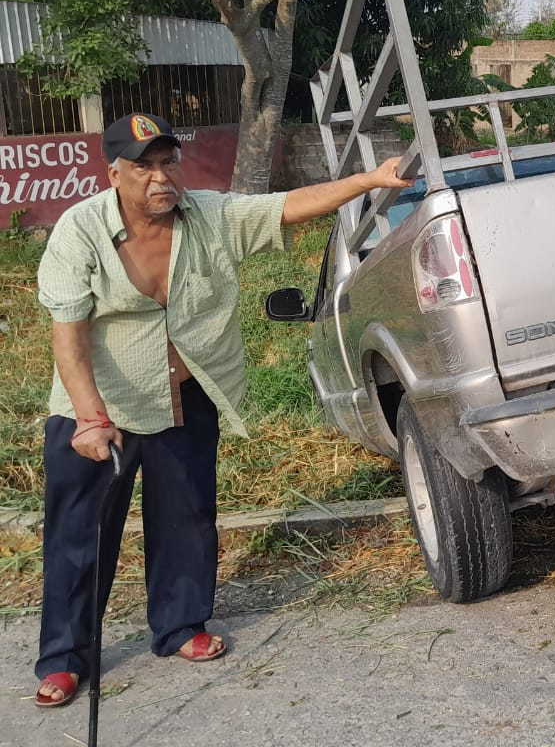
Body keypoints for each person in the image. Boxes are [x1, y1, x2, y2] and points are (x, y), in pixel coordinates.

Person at [32, 112, 412, 708]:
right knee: (80, 536)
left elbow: (288, 205)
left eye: (168, 162)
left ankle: (180, 626)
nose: (161, 177)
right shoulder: (79, 231)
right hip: (96, 412)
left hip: (184, 399)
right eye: (144, 167)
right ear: (115, 175)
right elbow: (69, 335)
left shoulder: (208, 215)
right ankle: (64, 657)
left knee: (186, 518)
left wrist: (369, 180)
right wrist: (87, 417)